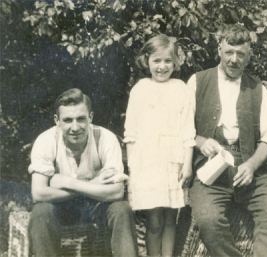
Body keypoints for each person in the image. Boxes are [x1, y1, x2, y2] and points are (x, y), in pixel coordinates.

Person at [187, 24, 267, 257]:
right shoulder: (197, 81)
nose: (234, 59)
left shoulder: (258, 88)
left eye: (240, 54)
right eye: (229, 52)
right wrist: (201, 141)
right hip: (210, 169)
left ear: (249, 55)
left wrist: (251, 166)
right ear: (219, 49)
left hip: (249, 167)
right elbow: (182, 129)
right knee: (207, 219)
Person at [28, 88, 139, 257]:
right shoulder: (46, 141)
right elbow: (39, 193)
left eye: (81, 119)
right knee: (41, 212)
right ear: (57, 121)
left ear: (90, 118)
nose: (75, 127)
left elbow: (117, 192)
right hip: (62, 209)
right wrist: (93, 184)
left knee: (121, 209)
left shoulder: (106, 138)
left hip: (97, 206)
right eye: (67, 120)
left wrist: (68, 182)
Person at [124, 34, 196, 257]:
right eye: (157, 61)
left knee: (170, 219)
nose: (162, 67)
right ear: (147, 61)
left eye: (167, 61)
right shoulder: (140, 89)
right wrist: (133, 170)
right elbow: (131, 134)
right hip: (149, 163)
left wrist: (188, 165)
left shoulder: (181, 88)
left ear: (175, 62)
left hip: (173, 161)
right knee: (154, 220)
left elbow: (188, 131)